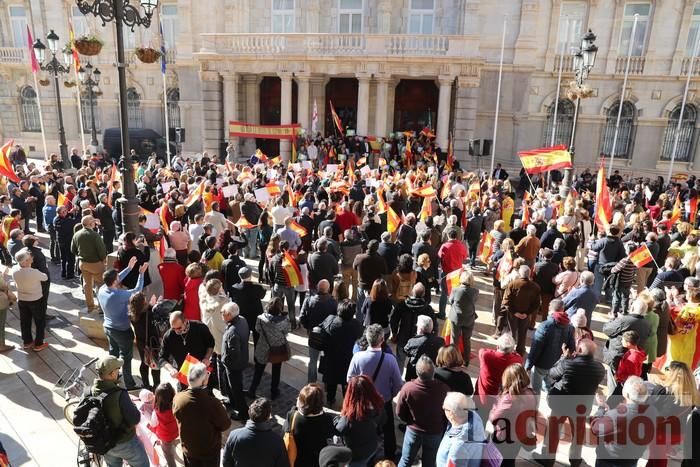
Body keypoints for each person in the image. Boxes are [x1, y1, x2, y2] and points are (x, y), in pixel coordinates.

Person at [537, 339, 606, 467]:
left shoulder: (567, 364)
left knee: (553, 431)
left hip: (561, 404)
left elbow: (552, 373)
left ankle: (548, 458)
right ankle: (575, 460)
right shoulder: (600, 369)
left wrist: (564, 357)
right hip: (582, 407)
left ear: (579, 350)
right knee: (578, 434)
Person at [347, 324, 404, 460]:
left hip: (363, 401)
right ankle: (390, 455)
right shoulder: (390, 360)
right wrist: (390, 394)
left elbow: (349, 379)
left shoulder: (358, 357)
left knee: (365, 428)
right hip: (383, 401)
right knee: (388, 431)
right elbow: (398, 384)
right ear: (382, 339)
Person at [97, 258, 148, 388]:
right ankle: (129, 384)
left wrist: (129, 269)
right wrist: (141, 273)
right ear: (115, 281)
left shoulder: (102, 289)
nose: (119, 278)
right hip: (122, 331)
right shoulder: (119, 295)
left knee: (113, 353)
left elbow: (116, 278)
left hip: (108, 328)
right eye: (117, 277)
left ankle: (112, 375)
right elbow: (137, 290)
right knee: (126, 357)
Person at [90, 355, 149, 467]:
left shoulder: (89, 391)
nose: (119, 372)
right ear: (112, 374)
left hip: (105, 443)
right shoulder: (119, 394)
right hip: (125, 442)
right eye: (117, 370)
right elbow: (135, 418)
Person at [173, 362, 231, 467]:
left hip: (189, 450)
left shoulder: (178, 398)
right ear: (204, 382)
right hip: (209, 453)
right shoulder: (212, 403)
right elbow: (225, 425)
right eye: (207, 374)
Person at [396, 356, 450, 467]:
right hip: (435, 432)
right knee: (429, 463)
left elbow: (399, 412)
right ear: (433, 372)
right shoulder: (444, 389)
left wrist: (410, 422)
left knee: (406, 460)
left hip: (413, 431)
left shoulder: (408, 388)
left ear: (417, 373)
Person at [590, 376, 651, 466]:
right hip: (631, 461)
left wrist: (601, 409)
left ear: (626, 394)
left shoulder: (615, 416)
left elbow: (595, 429)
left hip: (610, 461)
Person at [489, 364, 537, 467]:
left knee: (496, 461)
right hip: (519, 436)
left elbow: (494, 418)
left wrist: (496, 403)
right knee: (510, 460)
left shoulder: (509, 398)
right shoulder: (531, 393)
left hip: (504, 437)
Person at [334, 375, 387, 467]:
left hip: (355, 455)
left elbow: (338, 430)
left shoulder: (349, 417)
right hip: (372, 446)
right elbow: (383, 420)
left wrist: (337, 420)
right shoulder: (379, 405)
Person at [525, 299, 575, 395]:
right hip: (557, 366)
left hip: (541, 365)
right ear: (563, 309)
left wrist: (528, 366)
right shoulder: (569, 327)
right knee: (549, 387)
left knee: (536, 390)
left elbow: (535, 348)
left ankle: (535, 408)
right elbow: (571, 348)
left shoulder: (544, 326)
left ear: (549, 309)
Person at [319, 299, 363, 405]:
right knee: (347, 384)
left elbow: (321, 331)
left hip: (331, 358)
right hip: (347, 360)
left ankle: (330, 400)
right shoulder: (356, 325)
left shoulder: (330, 320)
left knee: (331, 382)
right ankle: (346, 403)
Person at [223, 397, 289, 467]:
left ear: (249, 412)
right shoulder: (277, 441)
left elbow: (226, 462)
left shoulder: (234, 435)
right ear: (268, 417)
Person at [602, 299, 651, 394]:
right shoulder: (648, 323)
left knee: (614, 387)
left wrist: (613, 319)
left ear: (632, 307)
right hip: (632, 358)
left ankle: (611, 404)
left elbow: (607, 329)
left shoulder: (624, 320)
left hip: (618, 358)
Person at [159, 311, 215, 389]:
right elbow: (162, 358)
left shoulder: (200, 327)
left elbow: (210, 344)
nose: (176, 331)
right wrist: (171, 369)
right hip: (183, 377)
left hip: (202, 374)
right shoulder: (169, 336)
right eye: (173, 328)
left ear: (185, 321)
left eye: (179, 328)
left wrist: (206, 357)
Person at [248, 297, 291, 400]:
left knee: (259, 370)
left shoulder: (260, 318)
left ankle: (252, 390)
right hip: (278, 348)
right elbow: (286, 332)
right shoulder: (285, 320)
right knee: (276, 370)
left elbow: (257, 329)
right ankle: (274, 392)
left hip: (263, 346)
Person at [283, 384, 335, 467]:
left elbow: (285, 431)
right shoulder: (327, 419)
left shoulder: (292, 416)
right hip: (317, 461)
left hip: (297, 460)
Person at [390, 283, 436, 372]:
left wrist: (394, 333)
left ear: (412, 292)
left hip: (403, 338)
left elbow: (394, 320)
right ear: (424, 294)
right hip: (420, 341)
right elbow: (434, 325)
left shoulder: (402, 305)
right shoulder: (428, 309)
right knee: (416, 362)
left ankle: (399, 378)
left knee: (400, 360)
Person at [300, 279, 338, 383]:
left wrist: (308, 328)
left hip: (313, 335)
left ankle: (311, 382)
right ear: (328, 289)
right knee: (327, 359)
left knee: (312, 360)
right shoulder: (334, 303)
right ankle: (326, 382)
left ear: (317, 288)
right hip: (327, 336)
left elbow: (302, 317)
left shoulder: (309, 300)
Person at [475, 333, 522, 412]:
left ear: (498, 346)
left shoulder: (486, 355)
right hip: (502, 401)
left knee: (481, 418)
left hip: (483, 398)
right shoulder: (518, 360)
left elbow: (482, 350)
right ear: (512, 349)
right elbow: (517, 355)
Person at [436, 392, 485, 467]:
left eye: (444, 408)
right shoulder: (474, 416)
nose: (443, 409)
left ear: (451, 414)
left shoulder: (458, 447)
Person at [12, 250, 49, 352]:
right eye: (30, 257)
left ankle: (27, 342)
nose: (32, 258)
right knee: (39, 321)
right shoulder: (34, 272)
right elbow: (45, 278)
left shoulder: (15, 270)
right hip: (36, 299)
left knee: (25, 321)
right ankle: (38, 343)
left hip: (22, 299)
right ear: (27, 261)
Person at [501, 265, 541, 356]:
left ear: (520, 273)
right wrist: (527, 314)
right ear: (529, 274)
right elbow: (536, 304)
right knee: (523, 334)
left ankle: (509, 350)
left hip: (513, 314)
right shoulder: (536, 287)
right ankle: (520, 351)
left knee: (512, 332)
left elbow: (506, 301)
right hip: (526, 315)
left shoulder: (513, 284)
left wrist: (515, 313)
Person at [71, 215, 107, 313]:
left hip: (83, 263)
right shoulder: (95, 235)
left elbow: (73, 250)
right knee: (100, 285)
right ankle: (101, 308)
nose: (95, 223)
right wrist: (103, 261)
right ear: (90, 224)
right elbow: (102, 251)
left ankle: (90, 306)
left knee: (87, 285)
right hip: (96, 264)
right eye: (93, 221)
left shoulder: (77, 234)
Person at [221, 302, 250, 421]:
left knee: (236, 388)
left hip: (234, 366)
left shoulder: (232, 332)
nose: (221, 315)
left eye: (222, 313)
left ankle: (243, 412)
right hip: (242, 360)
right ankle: (232, 401)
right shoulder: (242, 320)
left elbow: (234, 353)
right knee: (230, 384)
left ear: (229, 315)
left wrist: (226, 361)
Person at [128, 293, 161, 390]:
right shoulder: (149, 313)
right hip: (152, 342)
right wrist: (154, 305)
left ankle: (146, 384)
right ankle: (156, 386)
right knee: (155, 364)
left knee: (144, 362)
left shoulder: (131, 315)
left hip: (141, 342)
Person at [447, 270, 479, 364]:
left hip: (456, 318)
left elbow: (450, 301)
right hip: (469, 318)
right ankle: (466, 361)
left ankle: (453, 360)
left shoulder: (456, 290)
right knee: (467, 340)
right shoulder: (475, 291)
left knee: (454, 340)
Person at [230, 266, 266, 342]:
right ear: (250, 275)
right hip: (256, 316)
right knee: (257, 338)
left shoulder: (234, 288)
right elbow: (262, 295)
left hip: (243, 317)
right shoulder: (257, 288)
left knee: (243, 340)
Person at [403, 316, 445, 381]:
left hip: (415, 373)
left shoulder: (413, 341)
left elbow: (406, 351)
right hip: (433, 373)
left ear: (420, 329)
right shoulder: (440, 341)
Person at [147, 383, 180, 467]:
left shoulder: (157, 412)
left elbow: (153, 424)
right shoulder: (177, 406)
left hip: (165, 437)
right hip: (176, 432)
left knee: (168, 455)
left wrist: (149, 426)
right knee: (172, 443)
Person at [353, 239, 388, 316]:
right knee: (372, 307)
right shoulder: (380, 259)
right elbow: (384, 271)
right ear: (377, 249)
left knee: (360, 307)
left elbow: (354, 267)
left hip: (362, 285)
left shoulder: (359, 257)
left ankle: (360, 323)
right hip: (374, 286)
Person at [438, 229, 467, 319]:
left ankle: (442, 314)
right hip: (457, 274)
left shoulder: (444, 246)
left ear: (448, 236)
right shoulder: (462, 246)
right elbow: (465, 257)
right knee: (454, 295)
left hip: (446, 273)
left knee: (444, 294)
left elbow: (439, 257)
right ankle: (453, 315)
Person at [534, 248, 559, 328]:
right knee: (545, 308)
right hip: (548, 289)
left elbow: (534, 276)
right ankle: (544, 324)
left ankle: (531, 324)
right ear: (551, 257)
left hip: (537, 288)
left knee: (535, 307)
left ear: (543, 256)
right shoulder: (555, 266)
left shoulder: (537, 265)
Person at [54, 205, 78, 279]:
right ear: (61, 213)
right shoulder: (65, 221)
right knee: (70, 259)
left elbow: (68, 216)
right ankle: (70, 275)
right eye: (64, 211)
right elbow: (75, 221)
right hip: (67, 242)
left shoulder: (56, 219)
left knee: (63, 258)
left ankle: (63, 273)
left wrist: (71, 211)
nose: (66, 212)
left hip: (61, 241)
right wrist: (78, 213)